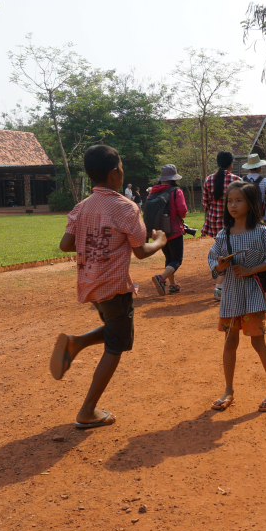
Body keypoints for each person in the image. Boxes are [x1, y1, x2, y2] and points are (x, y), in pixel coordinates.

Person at [49, 145, 167, 428]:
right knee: (117, 344)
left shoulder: (82, 206)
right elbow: (140, 251)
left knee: (117, 330)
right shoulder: (126, 207)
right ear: (115, 173)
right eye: (122, 167)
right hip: (114, 287)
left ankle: (77, 342)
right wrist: (161, 241)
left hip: (91, 285)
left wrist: (90, 238)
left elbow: (65, 244)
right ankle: (87, 410)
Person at [207, 181, 266, 412]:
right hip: (231, 295)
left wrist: (252, 270)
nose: (233, 205)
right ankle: (228, 390)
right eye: (230, 201)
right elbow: (214, 261)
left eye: (238, 200)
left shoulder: (261, 232)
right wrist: (221, 266)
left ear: (251, 204)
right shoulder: (224, 234)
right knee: (230, 342)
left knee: (258, 342)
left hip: (252, 296)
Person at [201, 151, 241, 299]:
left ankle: (222, 285)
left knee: (221, 253)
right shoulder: (236, 180)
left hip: (214, 222)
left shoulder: (208, 180)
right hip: (231, 222)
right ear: (231, 163)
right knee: (228, 254)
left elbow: (205, 204)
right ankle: (220, 287)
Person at [148, 164, 188, 295]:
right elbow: (182, 211)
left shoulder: (153, 191)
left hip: (160, 233)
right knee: (177, 260)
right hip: (174, 231)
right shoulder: (176, 191)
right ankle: (161, 278)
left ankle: (173, 285)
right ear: (173, 178)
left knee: (169, 258)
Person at [242, 153, 266, 224]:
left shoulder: (242, 180)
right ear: (259, 167)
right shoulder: (265, 181)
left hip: (246, 215)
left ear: (249, 168)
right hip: (261, 215)